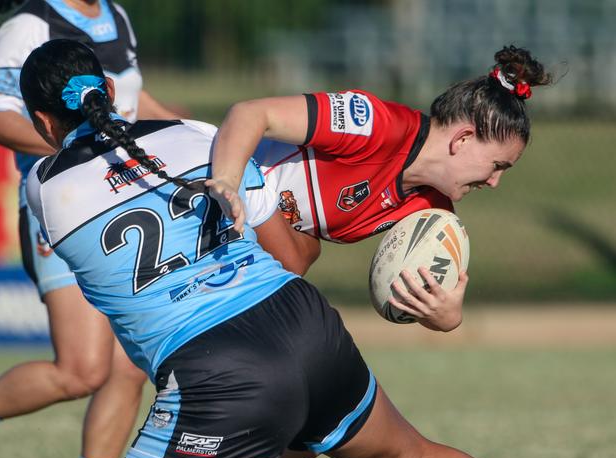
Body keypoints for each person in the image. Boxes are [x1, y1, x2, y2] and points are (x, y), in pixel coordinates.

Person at [21, 38, 509, 458]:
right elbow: (292, 257)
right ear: (109, 89)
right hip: (308, 326)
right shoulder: (196, 136)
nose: (494, 183)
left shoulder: (43, 187)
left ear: (42, 122)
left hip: (217, 367)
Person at [0, 1, 180, 458]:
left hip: (119, 199)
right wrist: (79, 155)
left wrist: (180, 131)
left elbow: (128, 100)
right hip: (60, 208)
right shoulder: (31, 25)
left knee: (128, 368)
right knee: (81, 371)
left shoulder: (117, 17)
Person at [211, 45, 552, 334]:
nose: (494, 182)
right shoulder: (375, 125)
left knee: (299, 263)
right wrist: (227, 181)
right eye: (497, 166)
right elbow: (249, 114)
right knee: (297, 266)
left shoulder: (432, 212)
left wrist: (447, 317)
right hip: (205, 192)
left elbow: (411, 300)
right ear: (462, 139)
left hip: (233, 241)